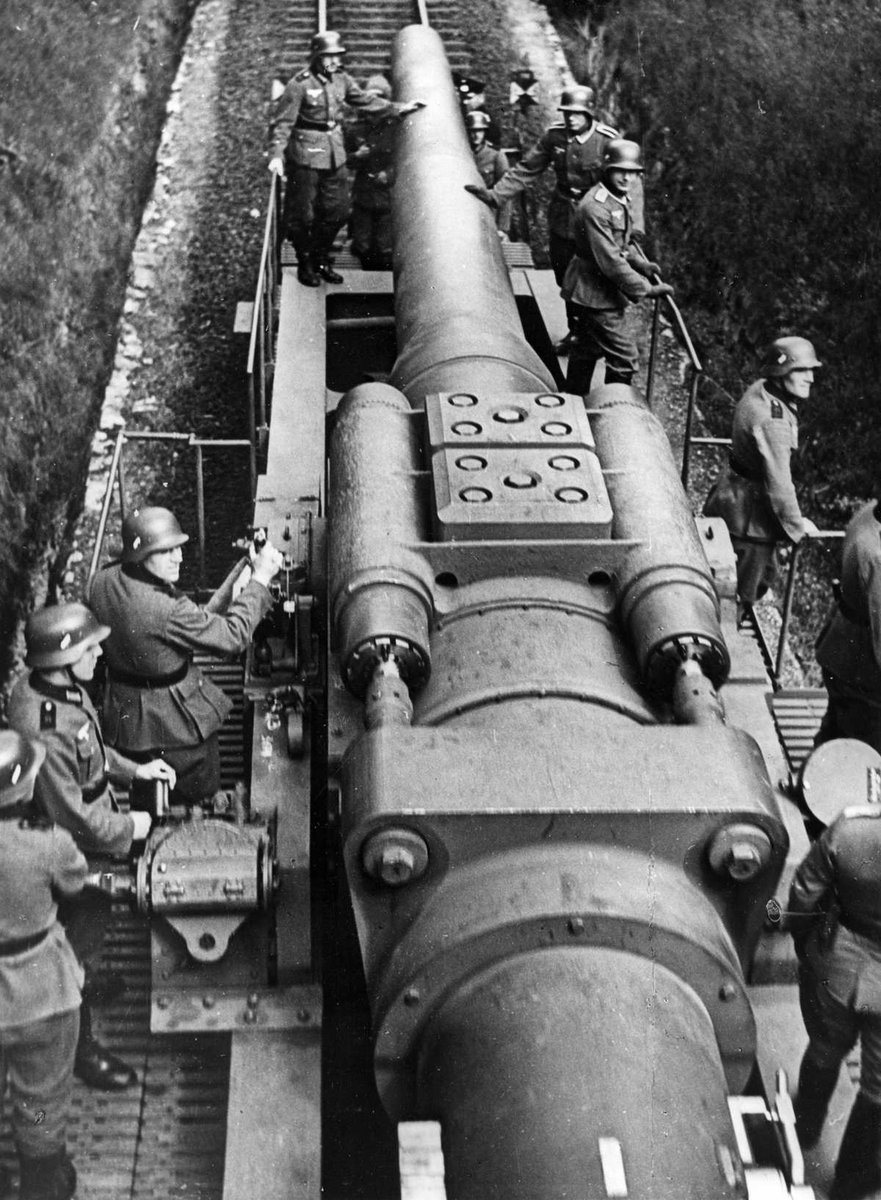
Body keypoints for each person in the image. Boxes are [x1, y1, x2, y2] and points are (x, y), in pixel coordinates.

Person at [7, 602, 172, 1092]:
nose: (100, 651)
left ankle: (85, 977)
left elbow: (93, 750)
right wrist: (133, 828)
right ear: (61, 658)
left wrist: (135, 771)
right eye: (89, 646)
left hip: (92, 826)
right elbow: (71, 816)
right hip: (81, 847)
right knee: (76, 944)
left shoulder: (52, 690)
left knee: (84, 939)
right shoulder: (46, 725)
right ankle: (83, 1050)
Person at [89, 506, 283, 804]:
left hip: (126, 718)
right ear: (141, 555)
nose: (179, 558)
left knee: (149, 786)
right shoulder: (167, 609)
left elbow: (193, 622)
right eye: (166, 552)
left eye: (179, 548)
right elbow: (232, 637)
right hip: (176, 727)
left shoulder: (102, 581)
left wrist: (245, 565)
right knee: (197, 793)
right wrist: (260, 580)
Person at [465, 85, 643, 352]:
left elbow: (633, 186)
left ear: (590, 113)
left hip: (597, 220)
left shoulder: (608, 141)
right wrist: (495, 196)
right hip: (563, 216)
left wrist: (635, 230)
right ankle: (576, 332)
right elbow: (528, 168)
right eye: (567, 112)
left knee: (596, 277)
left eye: (577, 113)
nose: (571, 118)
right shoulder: (555, 136)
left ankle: (596, 336)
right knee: (564, 276)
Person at [0, 729, 86, 1200]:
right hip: (40, 991)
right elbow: (75, 884)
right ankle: (40, 1178)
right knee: (39, 1095)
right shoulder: (48, 842)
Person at [268, 30, 425, 287]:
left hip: (335, 154)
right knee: (303, 216)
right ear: (317, 56)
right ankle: (306, 262)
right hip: (306, 156)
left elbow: (363, 100)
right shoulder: (300, 84)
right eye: (329, 56)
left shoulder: (342, 79)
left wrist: (399, 108)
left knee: (340, 212)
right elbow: (283, 123)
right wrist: (276, 155)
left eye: (337, 56)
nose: (334, 61)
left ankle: (321, 258)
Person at [786, 804, 881, 1199]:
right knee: (879, 1088)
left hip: (839, 958)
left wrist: (806, 944)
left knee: (825, 1048)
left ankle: (806, 1127)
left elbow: (803, 893)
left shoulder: (852, 829)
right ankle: (850, 1182)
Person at [703, 335, 819, 615]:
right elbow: (779, 485)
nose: (811, 378)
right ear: (781, 373)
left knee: (737, 583)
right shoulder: (773, 420)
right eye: (801, 370)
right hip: (748, 520)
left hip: (730, 497)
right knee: (736, 599)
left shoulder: (762, 391)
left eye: (811, 370)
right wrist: (796, 527)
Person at [560, 139, 672, 394]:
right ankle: (615, 413)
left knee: (587, 347)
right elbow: (610, 260)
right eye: (620, 170)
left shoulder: (617, 198)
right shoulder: (595, 208)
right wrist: (646, 289)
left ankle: (573, 399)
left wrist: (641, 263)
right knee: (625, 358)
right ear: (607, 169)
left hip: (595, 291)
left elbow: (621, 243)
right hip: (593, 292)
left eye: (632, 172)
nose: (626, 177)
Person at [814, 496, 881, 752]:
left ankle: (812, 781)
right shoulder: (876, 556)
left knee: (836, 732)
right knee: (865, 751)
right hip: (863, 671)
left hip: (842, 650)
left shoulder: (870, 513)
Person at [346, 74, 397, 271]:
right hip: (364, 194)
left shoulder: (395, 128)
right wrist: (358, 156)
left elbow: (403, 161)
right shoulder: (355, 130)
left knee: (385, 246)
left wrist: (389, 174)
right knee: (362, 245)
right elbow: (345, 162)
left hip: (387, 195)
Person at [465, 111, 511, 237]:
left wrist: (502, 227)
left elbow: (505, 191)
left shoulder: (496, 156)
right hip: (464, 213)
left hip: (488, 212)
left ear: (485, 132)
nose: (476, 135)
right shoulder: (462, 154)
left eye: (480, 131)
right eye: (472, 131)